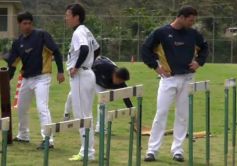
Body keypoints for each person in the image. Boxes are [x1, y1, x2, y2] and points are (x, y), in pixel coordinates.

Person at [142, 5, 208, 162]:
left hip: (187, 79)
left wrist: (199, 62)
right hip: (168, 79)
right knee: (161, 114)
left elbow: (205, 47)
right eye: (191, 20)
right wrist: (156, 67)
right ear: (181, 17)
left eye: (194, 20)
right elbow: (145, 50)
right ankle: (152, 150)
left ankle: (177, 150)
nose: (193, 23)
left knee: (183, 115)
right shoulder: (161, 33)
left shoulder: (193, 34)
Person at [7, 11, 65, 149]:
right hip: (26, 79)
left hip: (42, 77)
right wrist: (6, 81)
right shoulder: (18, 42)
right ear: (19, 24)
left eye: (29, 23)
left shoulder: (42, 35)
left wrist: (61, 72)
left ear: (32, 23)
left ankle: (48, 140)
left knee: (42, 107)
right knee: (21, 108)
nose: (27, 26)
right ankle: (23, 135)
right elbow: (12, 64)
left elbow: (56, 51)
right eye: (24, 23)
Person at [65, 3, 99, 161]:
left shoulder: (78, 32)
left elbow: (85, 49)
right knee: (87, 114)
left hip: (81, 76)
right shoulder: (86, 30)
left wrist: (76, 67)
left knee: (81, 115)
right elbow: (97, 49)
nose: (66, 18)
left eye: (68, 15)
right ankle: (88, 151)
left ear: (76, 16)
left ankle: (87, 151)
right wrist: (89, 64)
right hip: (88, 74)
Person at [63, 56, 133, 133]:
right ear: (115, 75)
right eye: (119, 80)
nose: (119, 83)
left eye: (121, 81)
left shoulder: (121, 84)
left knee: (103, 102)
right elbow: (89, 62)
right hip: (92, 76)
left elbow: (126, 98)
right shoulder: (104, 66)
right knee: (73, 94)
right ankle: (67, 113)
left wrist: (133, 115)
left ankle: (100, 128)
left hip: (101, 84)